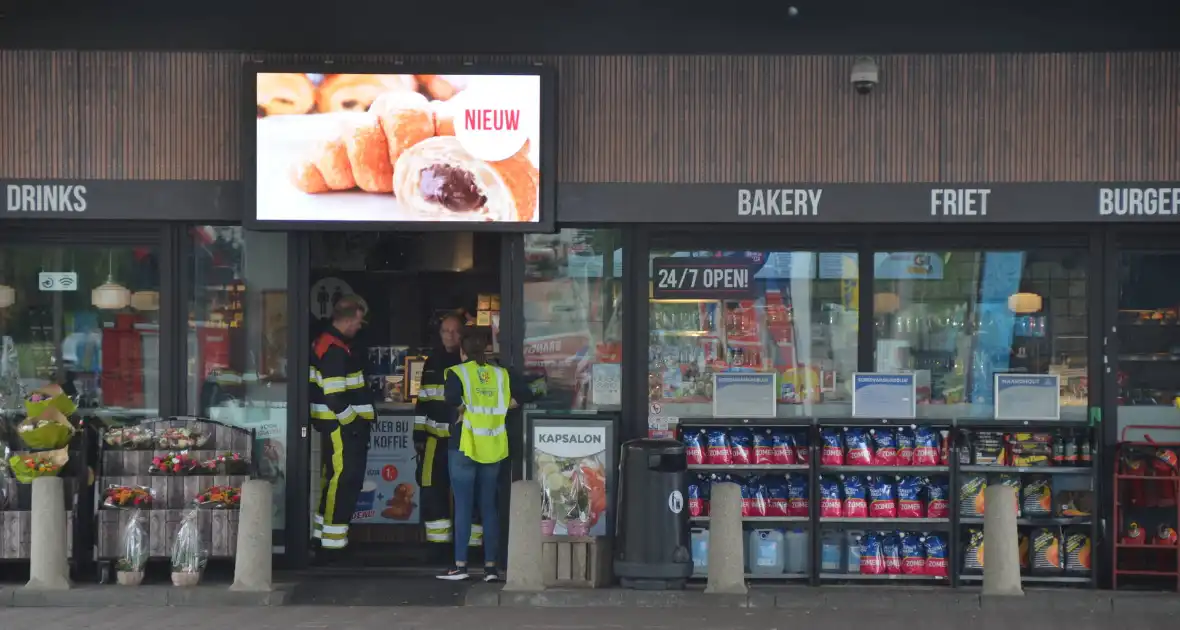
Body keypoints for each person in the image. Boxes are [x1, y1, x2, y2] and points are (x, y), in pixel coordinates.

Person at [436, 329, 533, 581]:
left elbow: (451, 398)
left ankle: (460, 565)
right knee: (489, 506)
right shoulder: (501, 374)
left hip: (464, 446)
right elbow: (524, 394)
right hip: (493, 445)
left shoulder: (458, 373)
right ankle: (491, 568)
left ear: (462, 351)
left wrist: (461, 410)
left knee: (464, 506)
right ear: (487, 350)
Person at [309, 295, 376, 555]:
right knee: (343, 481)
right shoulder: (335, 349)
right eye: (359, 321)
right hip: (341, 428)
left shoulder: (328, 343)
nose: (360, 326)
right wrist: (353, 423)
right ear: (348, 319)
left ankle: (322, 538)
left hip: (335, 426)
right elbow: (334, 396)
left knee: (334, 480)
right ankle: (333, 546)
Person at [413, 312, 483, 551]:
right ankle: (438, 547)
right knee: (433, 490)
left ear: (463, 335)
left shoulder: (472, 363)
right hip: (435, 441)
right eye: (446, 331)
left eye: (455, 331)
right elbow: (423, 401)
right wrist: (419, 436)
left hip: (466, 439)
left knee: (471, 492)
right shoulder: (431, 363)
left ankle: (473, 547)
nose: (450, 336)